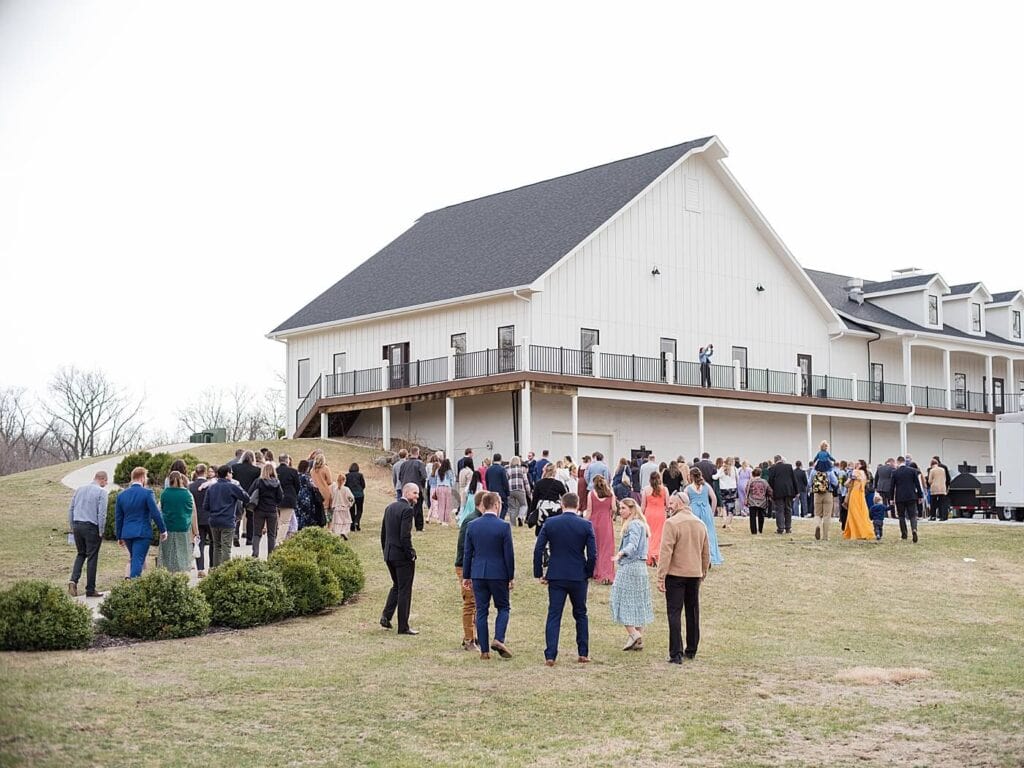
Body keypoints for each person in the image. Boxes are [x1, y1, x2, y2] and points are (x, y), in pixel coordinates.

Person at [533, 492, 596, 666]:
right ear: (578, 505)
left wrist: (539, 572)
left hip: (557, 574)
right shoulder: (585, 525)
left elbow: (538, 549)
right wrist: (588, 572)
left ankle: (550, 654)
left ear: (562, 504)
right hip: (578, 574)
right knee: (581, 614)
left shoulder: (551, 523)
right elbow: (592, 554)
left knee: (554, 614)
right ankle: (583, 652)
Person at [657, 491, 711, 663]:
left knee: (674, 613)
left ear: (680, 504)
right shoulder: (700, 524)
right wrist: (703, 572)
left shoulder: (671, 523)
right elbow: (706, 552)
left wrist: (660, 576)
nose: (669, 506)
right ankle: (692, 648)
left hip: (675, 575)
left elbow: (666, 552)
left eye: (671, 503)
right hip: (694, 574)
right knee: (692, 611)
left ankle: (676, 653)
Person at [462, 492, 515, 660]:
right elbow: (509, 554)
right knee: (503, 607)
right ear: (497, 505)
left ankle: (484, 651)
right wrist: (510, 576)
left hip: (478, 573)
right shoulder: (503, 526)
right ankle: (498, 638)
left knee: (481, 611)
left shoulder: (472, 525)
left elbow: (468, 553)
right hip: (498, 573)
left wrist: (466, 575)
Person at [609, 497, 654, 651]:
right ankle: (637, 638)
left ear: (631, 509)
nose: (620, 511)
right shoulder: (641, 524)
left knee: (619, 598)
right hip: (640, 567)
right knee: (639, 601)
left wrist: (620, 553)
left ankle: (634, 634)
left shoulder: (634, 524)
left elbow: (632, 545)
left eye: (623, 508)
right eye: (620, 508)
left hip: (630, 565)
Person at [380, 483, 420, 635]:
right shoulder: (407, 510)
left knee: (397, 586)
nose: (417, 496)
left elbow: (383, 534)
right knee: (404, 589)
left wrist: (386, 551)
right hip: (401, 556)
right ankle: (403, 626)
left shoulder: (389, 507)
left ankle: (386, 616)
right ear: (407, 492)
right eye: (415, 493)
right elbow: (405, 536)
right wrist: (410, 553)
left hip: (389, 554)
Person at [115, 467, 168, 578]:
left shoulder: (121, 495)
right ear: (143, 478)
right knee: (138, 560)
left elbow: (119, 518)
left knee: (134, 558)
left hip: (127, 533)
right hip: (142, 532)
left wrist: (119, 536)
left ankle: (132, 581)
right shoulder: (147, 493)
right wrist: (163, 530)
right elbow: (155, 513)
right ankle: (134, 584)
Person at [67, 470, 109, 597]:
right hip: (91, 527)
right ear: (102, 479)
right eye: (106, 481)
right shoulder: (102, 492)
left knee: (81, 554)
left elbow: (71, 509)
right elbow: (102, 514)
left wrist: (72, 526)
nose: (106, 484)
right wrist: (101, 530)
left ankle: (73, 580)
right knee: (92, 557)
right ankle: (90, 589)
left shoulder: (79, 489)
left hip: (77, 525)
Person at [454, 489, 484, 651]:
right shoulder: (471, 521)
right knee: (470, 602)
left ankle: (475, 635)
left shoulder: (478, 519)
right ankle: (468, 639)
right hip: (466, 567)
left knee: (478, 603)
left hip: (474, 566)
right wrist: (468, 572)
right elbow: (465, 548)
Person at [203, 464, 249, 568]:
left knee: (216, 546)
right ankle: (225, 570)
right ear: (227, 474)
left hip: (214, 520)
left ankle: (216, 569)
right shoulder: (232, 486)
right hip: (227, 520)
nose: (232, 475)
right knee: (226, 547)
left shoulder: (211, 488)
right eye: (231, 473)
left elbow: (205, 506)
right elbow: (246, 498)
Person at [159, 470, 199, 573]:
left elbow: (160, 509)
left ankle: (169, 573)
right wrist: (196, 531)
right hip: (183, 527)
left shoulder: (164, 493)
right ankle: (181, 574)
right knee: (183, 554)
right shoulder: (187, 494)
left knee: (168, 554)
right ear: (181, 480)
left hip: (168, 527)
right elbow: (193, 513)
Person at [685, 467, 723, 564]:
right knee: (709, 532)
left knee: (695, 533)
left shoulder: (688, 488)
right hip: (706, 510)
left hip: (694, 511)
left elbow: (684, 501)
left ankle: (696, 555)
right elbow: (714, 498)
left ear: (691, 476)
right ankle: (711, 555)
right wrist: (712, 511)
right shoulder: (706, 486)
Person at [586, 475, 617, 585]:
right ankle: (606, 572)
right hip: (606, 523)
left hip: (594, 523)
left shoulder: (591, 494)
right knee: (607, 548)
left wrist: (585, 523)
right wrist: (610, 513)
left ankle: (596, 570)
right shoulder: (610, 494)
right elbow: (614, 508)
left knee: (596, 548)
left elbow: (589, 511)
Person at [248, 463, 284, 555]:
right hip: (272, 510)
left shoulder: (258, 481)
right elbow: (280, 497)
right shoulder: (277, 482)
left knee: (256, 533)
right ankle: (270, 555)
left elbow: (250, 492)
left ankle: (255, 553)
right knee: (271, 535)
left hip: (259, 510)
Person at [232, 451, 261, 546]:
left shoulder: (235, 467)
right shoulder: (256, 470)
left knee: (237, 516)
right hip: (250, 496)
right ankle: (249, 538)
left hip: (238, 494)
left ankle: (236, 534)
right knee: (250, 517)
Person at [528, 463, 567, 533]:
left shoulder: (539, 483)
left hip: (542, 509)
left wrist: (531, 512)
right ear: (555, 472)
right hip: (555, 509)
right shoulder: (558, 483)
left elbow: (534, 499)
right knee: (555, 529)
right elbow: (565, 496)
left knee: (541, 530)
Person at [893, 456, 923, 543]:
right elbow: (917, 484)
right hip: (911, 496)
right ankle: (914, 529)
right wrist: (920, 496)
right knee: (913, 515)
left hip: (900, 497)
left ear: (898, 462)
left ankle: (904, 534)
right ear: (904, 461)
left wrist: (891, 498)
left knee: (901, 516)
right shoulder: (912, 471)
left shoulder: (895, 472)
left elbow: (892, 486)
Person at [842, 460, 875, 541]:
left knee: (854, 512)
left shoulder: (856, 472)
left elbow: (846, 484)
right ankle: (862, 531)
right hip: (861, 494)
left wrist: (851, 478)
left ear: (861, 465)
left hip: (855, 494)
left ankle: (856, 532)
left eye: (858, 463)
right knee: (862, 512)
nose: (856, 464)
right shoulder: (865, 473)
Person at [188, 465, 211, 577]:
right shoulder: (210, 485)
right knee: (214, 543)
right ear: (205, 472)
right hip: (210, 517)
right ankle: (212, 567)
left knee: (199, 544)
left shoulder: (190, 487)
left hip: (197, 519)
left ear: (196, 473)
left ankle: (200, 569)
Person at [641, 471, 667, 567]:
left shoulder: (646, 490)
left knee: (649, 535)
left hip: (649, 514)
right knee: (659, 536)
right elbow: (667, 503)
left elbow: (643, 505)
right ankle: (657, 554)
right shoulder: (664, 489)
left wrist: (640, 515)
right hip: (660, 514)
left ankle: (650, 554)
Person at [398, 446, 428, 531]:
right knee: (418, 507)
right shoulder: (420, 464)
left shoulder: (404, 464)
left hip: (406, 488)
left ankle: (405, 525)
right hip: (416, 488)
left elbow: (400, 476)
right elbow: (424, 476)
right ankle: (419, 526)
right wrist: (422, 486)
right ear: (417, 453)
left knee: (405, 507)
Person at [768, 455, 798, 535]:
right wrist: (796, 491)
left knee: (779, 510)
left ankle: (780, 528)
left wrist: (770, 493)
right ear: (781, 460)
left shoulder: (772, 468)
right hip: (788, 491)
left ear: (775, 461)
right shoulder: (789, 466)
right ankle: (788, 528)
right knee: (788, 509)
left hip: (778, 492)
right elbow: (794, 479)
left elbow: (770, 481)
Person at [295, 459, 326, 529]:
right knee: (307, 515)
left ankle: (298, 527)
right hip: (306, 498)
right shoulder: (307, 477)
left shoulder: (296, 475)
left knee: (298, 514)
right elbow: (313, 486)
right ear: (307, 468)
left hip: (297, 497)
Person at [276, 454, 300, 539]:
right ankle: (279, 541)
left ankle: (284, 538)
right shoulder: (293, 471)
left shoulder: (275, 471)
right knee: (285, 522)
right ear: (288, 460)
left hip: (276, 499)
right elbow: (297, 486)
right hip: (289, 499)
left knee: (280, 521)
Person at [810, 464, 833, 540]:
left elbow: (809, 483)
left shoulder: (813, 471)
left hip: (817, 494)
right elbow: (835, 482)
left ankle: (817, 525)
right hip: (828, 494)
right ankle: (825, 536)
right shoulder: (830, 472)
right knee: (827, 515)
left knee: (817, 514)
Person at [429, 457, 455, 526]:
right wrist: (451, 485)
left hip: (439, 488)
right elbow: (452, 481)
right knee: (447, 505)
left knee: (441, 505)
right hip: (447, 487)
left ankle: (441, 520)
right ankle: (446, 520)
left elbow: (436, 479)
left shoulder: (438, 470)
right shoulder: (449, 471)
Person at [484, 453, 510, 520]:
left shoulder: (489, 469)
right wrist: (507, 493)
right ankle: (500, 519)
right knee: (504, 507)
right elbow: (505, 482)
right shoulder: (502, 469)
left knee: (492, 507)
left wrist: (488, 489)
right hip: (501, 492)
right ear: (500, 459)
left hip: (491, 491)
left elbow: (486, 480)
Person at [745, 467, 771, 535]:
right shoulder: (764, 481)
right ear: (760, 474)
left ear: (753, 474)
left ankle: (753, 531)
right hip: (762, 501)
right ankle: (760, 530)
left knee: (752, 517)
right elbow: (769, 490)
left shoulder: (750, 481)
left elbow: (746, 490)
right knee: (761, 516)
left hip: (752, 501)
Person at [329, 473, 355, 540]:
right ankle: (344, 532)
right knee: (346, 522)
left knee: (337, 522)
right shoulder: (346, 489)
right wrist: (350, 504)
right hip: (344, 508)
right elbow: (351, 498)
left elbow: (332, 497)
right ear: (344, 481)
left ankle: (337, 534)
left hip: (336, 508)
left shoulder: (335, 490)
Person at [507, 456, 531, 527]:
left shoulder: (507, 469)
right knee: (524, 505)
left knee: (512, 508)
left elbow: (506, 480)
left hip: (510, 490)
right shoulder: (522, 469)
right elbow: (526, 481)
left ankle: (513, 524)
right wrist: (528, 492)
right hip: (520, 489)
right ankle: (520, 516)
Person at [715, 458, 738, 528]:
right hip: (732, 488)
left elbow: (715, 477)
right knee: (731, 507)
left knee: (724, 506)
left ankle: (724, 521)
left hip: (723, 489)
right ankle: (729, 523)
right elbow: (738, 478)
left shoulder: (722, 468)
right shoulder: (734, 469)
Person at [457, 457, 481, 525]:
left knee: (463, 506)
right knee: (468, 508)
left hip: (461, 488)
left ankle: (460, 517)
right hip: (469, 491)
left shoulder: (461, 471)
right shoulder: (469, 472)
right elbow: (471, 482)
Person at [927, 457, 950, 522]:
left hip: (934, 488)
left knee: (933, 503)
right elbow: (945, 478)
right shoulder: (942, 469)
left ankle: (933, 516)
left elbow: (929, 480)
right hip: (942, 488)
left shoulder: (932, 470)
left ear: (931, 464)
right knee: (942, 503)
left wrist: (931, 483)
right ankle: (943, 517)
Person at [345, 462, 366, 531]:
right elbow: (363, 485)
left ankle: (352, 526)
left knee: (352, 510)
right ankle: (357, 522)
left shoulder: (347, 475)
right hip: (359, 495)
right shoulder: (360, 475)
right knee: (359, 510)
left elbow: (345, 485)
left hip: (350, 495)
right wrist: (360, 489)